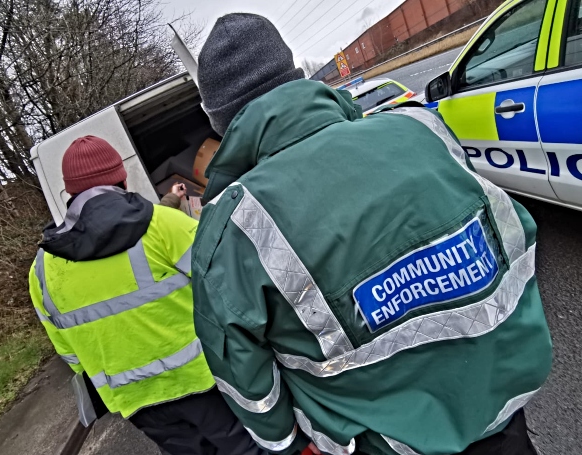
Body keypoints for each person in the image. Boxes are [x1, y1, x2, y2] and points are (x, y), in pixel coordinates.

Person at [191, 13, 552, 455]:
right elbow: (511, 241)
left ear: (221, 123)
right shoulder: (422, 129)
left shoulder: (232, 227)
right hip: (502, 409)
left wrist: (284, 443)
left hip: (386, 444)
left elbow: (246, 379)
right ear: (296, 76)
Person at [29, 135, 265, 455]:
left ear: (70, 192)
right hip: (207, 381)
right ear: (122, 179)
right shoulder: (165, 225)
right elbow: (234, 287)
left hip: (138, 403)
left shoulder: (42, 269)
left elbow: (69, 354)